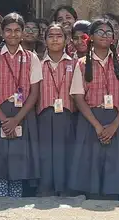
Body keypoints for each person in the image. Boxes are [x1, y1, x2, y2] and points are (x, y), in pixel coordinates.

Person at [67, 18, 119, 199]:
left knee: (115, 171)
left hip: (116, 119)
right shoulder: (82, 64)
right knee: (92, 172)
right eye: (100, 32)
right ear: (90, 37)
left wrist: (115, 125)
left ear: (114, 38)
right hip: (91, 121)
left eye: (109, 33)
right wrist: (97, 126)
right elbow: (78, 98)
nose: (105, 36)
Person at [0, 13, 42, 198]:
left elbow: (34, 93)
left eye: (17, 30)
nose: (13, 34)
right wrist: (5, 120)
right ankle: (0, 205)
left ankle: (15, 207)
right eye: (8, 30)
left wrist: (16, 119)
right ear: (2, 33)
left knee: (18, 164)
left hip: (23, 115)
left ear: (22, 33)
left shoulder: (32, 58)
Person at [36, 22, 75, 197]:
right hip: (44, 113)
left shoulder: (74, 64)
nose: (55, 39)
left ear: (66, 40)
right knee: (45, 152)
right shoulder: (37, 63)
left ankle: (65, 188)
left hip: (67, 113)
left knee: (65, 151)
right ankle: (46, 188)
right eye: (50, 36)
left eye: (59, 36)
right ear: (45, 40)